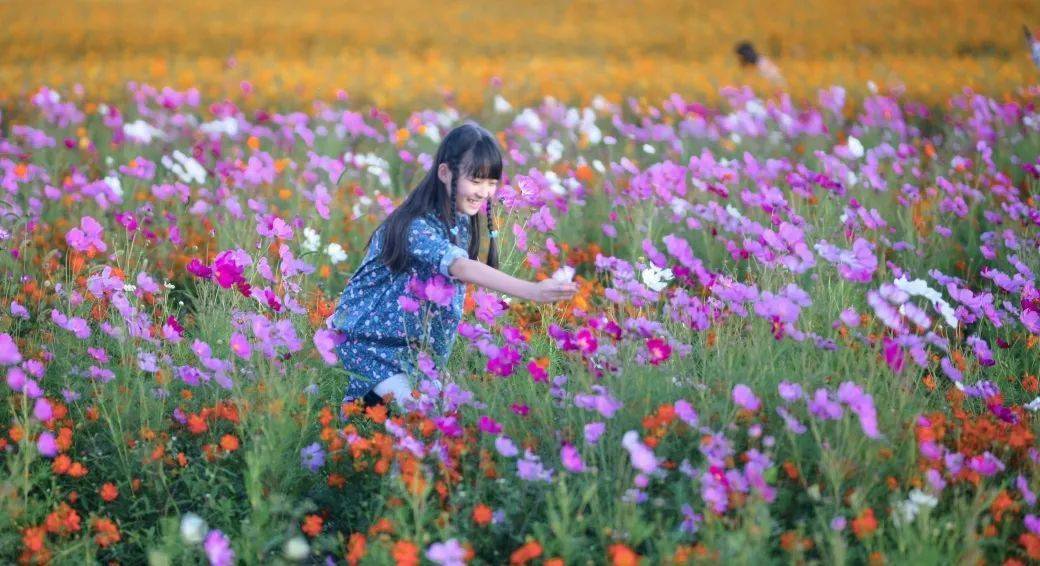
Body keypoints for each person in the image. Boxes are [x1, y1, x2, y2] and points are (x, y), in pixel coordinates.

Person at [327, 122, 578, 410]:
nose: (485, 192)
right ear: (445, 173)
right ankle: (358, 406)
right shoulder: (415, 225)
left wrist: (432, 367)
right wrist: (532, 291)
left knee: (452, 412)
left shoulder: (457, 217)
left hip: (408, 352)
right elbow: (460, 266)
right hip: (368, 349)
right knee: (423, 415)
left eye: (492, 183)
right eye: (476, 180)